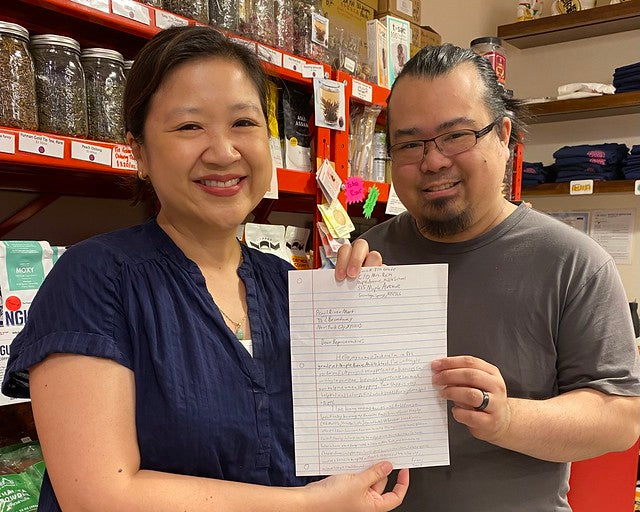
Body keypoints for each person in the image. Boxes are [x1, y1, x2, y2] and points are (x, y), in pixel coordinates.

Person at [1, 26, 408, 511]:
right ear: (140, 153)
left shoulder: (287, 286)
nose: (223, 151)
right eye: (190, 126)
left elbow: (342, 443)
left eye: (244, 123)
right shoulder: (94, 280)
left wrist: (372, 319)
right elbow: (99, 496)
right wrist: (311, 505)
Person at [353, 43, 640, 511]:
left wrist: (506, 418)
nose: (433, 161)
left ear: (504, 136)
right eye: (409, 144)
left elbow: (620, 417)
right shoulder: (368, 258)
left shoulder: (574, 263)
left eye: (456, 136)